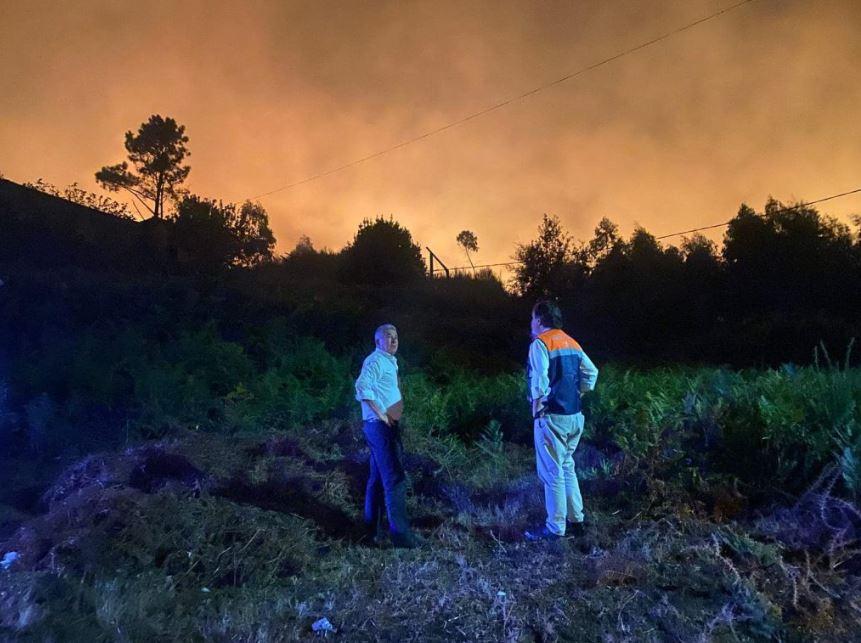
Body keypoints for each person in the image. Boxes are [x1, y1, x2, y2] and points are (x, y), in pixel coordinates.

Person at [524, 300, 599, 541]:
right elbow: (592, 373)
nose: (531, 322)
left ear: (540, 319)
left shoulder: (541, 343)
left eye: (533, 318)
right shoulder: (572, 342)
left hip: (552, 417)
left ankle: (555, 529)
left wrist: (538, 406)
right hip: (575, 417)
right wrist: (578, 393)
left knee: (552, 472)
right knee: (567, 467)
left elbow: (539, 380)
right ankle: (577, 521)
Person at [355, 323, 423, 548]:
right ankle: (401, 537)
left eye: (396, 336)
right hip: (379, 427)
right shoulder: (375, 361)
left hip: (384, 426)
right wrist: (382, 415)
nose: (394, 340)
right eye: (388, 337)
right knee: (395, 478)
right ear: (378, 341)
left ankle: (370, 531)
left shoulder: (388, 362)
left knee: (376, 479)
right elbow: (362, 387)